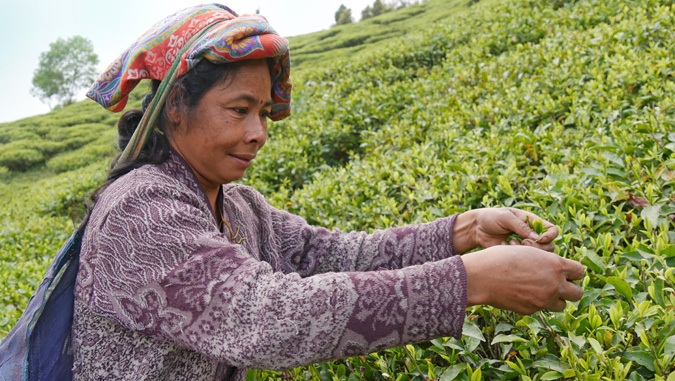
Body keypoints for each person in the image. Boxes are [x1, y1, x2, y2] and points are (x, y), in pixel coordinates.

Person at [76, 4, 584, 380]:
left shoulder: (239, 206)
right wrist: (468, 282)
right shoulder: (139, 212)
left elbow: (334, 254)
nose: (258, 132)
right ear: (175, 106)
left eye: (263, 113)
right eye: (239, 110)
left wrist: (464, 230)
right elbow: (266, 319)